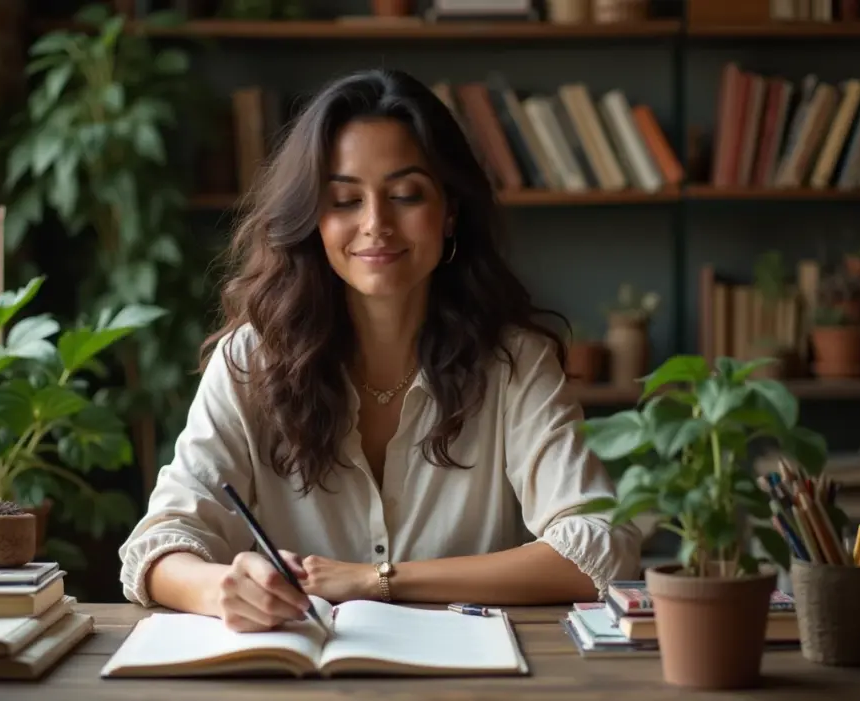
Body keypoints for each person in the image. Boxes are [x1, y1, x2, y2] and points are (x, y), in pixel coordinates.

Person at [118, 68, 641, 632]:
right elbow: (157, 546)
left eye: (405, 195)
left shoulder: (515, 363)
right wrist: (224, 590)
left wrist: (378, 580)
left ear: (450, 211)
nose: (375, 225)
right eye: (345, 199)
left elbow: (600, 549)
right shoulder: (251, 360)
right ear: (313, 219)